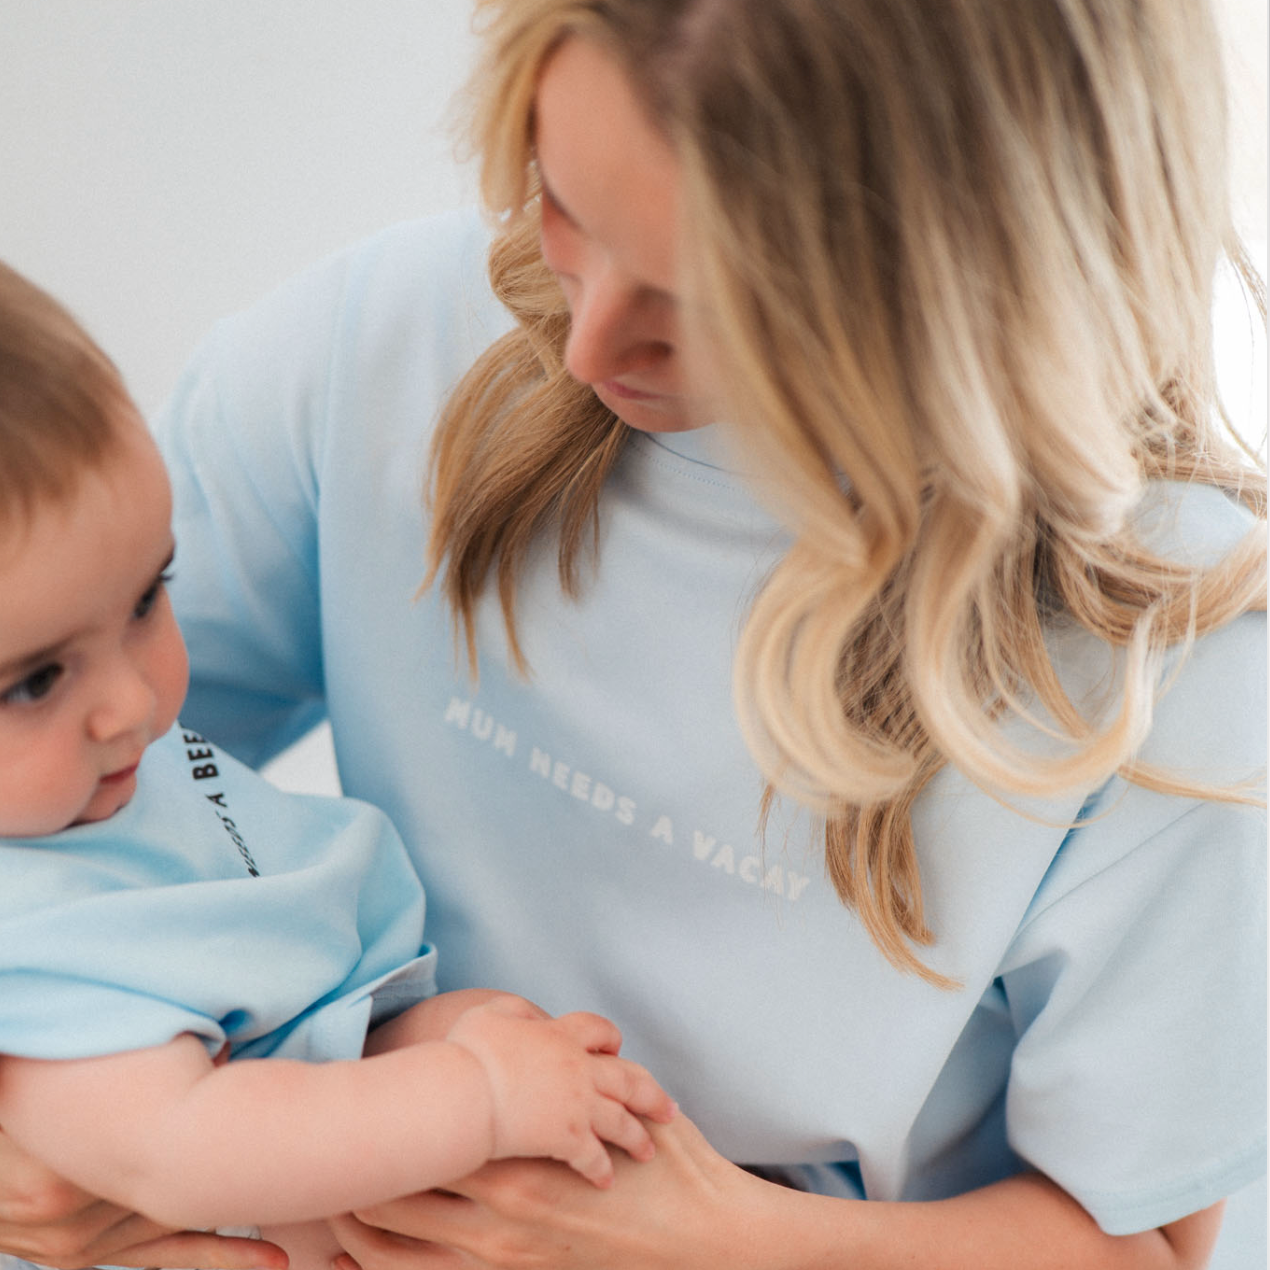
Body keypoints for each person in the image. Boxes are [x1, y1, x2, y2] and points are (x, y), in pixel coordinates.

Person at [0, 0, 1263, 1267]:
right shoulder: (374, 351)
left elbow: (1140, 1247)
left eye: (712, 302)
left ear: (973, 276)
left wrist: (709, 1242)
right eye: (564, 207)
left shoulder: (1172, 655)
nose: (588, 340)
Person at [0, 261, 675, 1270]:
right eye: (35, 682)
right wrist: (480, 1092)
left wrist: (448, 1035)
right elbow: (187, 1148)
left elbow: (289, 1013)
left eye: (146, 598)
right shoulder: (34, 941)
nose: (131, 703)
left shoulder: (78, 778)